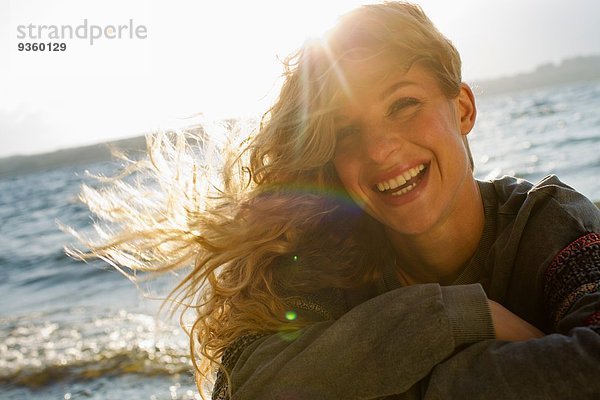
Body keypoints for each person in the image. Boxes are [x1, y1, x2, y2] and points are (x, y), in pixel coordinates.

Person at [73, 2, 600, 399]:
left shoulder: (551, 225)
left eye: (403, 104)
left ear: (462, 108)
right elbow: (244, 383)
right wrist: (453, 314)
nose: (379, 149)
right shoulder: (332, 257)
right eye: (345, 131)